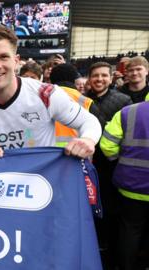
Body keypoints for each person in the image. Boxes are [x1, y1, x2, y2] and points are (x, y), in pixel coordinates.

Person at [0, 26, 101, 158]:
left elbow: (89, 121)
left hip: (43, 180)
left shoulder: (46, 94)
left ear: (16, 61)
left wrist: (88, 139)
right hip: (0, 180)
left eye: (4, 57)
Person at [85, 62, 133, 269]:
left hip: (113, 165)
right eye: (95, 76)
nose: (99, 79)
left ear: (111, 77)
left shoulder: (123, 100)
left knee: (112, 209)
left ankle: (110, 250)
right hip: (88, 163)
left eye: (104, 76)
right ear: (89, 78)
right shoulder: (83, 101)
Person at [100, 100, 149, 270]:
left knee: (130, 230)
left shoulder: (128, 112)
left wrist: (120, 160)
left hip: (131, 186)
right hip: (133, 185)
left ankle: (126, 266)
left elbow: (107, 145)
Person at [49, 63, 100, 147]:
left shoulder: (42, 98)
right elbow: (96, 131)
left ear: (51, 79)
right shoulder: (86, 101)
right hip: (77, 153)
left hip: (46, 154)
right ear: (74, 79)